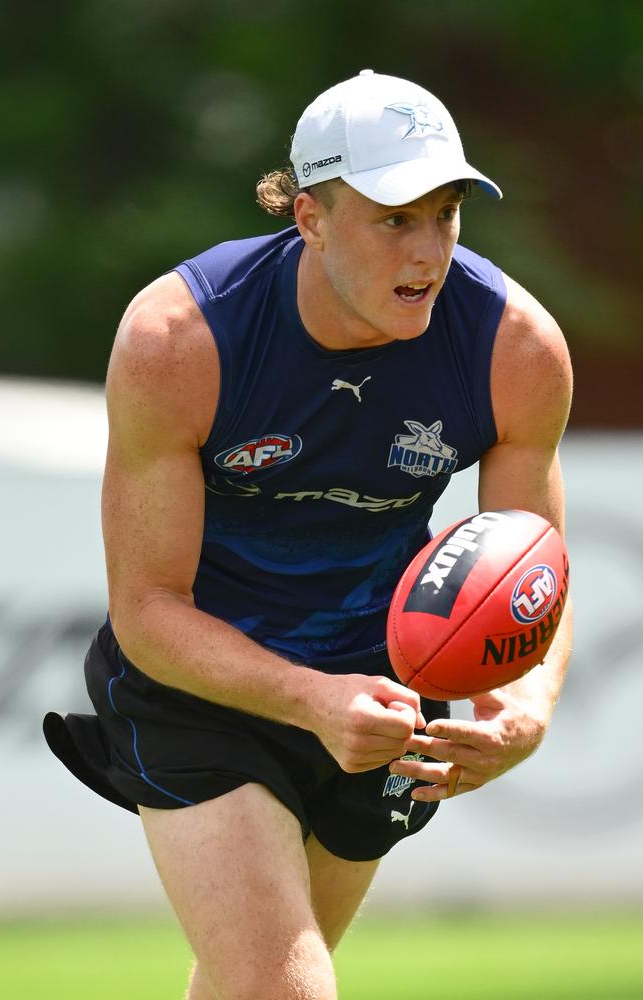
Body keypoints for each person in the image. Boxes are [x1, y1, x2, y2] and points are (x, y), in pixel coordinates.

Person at [44, 69, 573, 999]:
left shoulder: (515, 348)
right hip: (200, 687)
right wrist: (309, 700)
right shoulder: (182, 338)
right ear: (310, 216)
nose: (430, 251)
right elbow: (147, 609)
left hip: (383, 698)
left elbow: (536, 569)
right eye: (394, 218)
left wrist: (523, 707)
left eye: (447, 213)